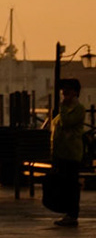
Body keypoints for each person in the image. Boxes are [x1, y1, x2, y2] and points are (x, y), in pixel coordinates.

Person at [48, 77, 85, 228]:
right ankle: (67, 213)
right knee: (64, 184)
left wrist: (62, 107)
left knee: (71, 185)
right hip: (61, 152)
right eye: (64, 93)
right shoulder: (66, 109)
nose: (65, 95)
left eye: (68, 92)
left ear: (75, 93)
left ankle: (72, 214)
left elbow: (66, 122)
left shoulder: (78, 109)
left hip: (72, 153)